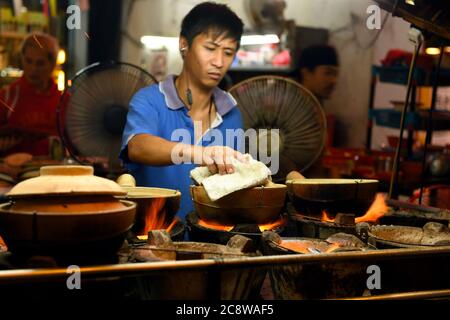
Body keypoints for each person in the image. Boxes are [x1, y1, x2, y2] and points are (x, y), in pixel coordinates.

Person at [120, 2, 246, 219]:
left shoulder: (231, 112)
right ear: (184, 45)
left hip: (213, 240)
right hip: (154, 236)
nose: (218, 62)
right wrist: (201, 152)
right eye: (210, 48)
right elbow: (137, 146)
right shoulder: (150, 100)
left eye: (228, 52)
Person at [0, 33, 62, 157]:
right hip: (15, 171)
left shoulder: (63, 101)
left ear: (52, 64)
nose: (33, 69)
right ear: (21, 59)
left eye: (40, 63)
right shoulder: (7, 97)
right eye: (28, 61)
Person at [287, 45, 340, 180]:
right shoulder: (290, 107)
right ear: (306, 73)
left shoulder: (315, 105)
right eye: (328, 73)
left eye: (335, 74)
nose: (333, 81)